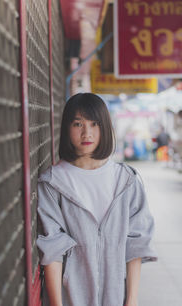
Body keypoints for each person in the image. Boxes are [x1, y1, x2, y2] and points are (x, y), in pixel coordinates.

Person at [37, 93, 157, 306]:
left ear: (105, 127)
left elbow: (136, 243)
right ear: (66, 128)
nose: (87, 133)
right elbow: (52, 250)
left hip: (116, 297)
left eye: (95, 124)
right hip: (70, 298)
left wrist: (131, 300)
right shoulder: (53, 182)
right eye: (78, 124)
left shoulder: (126, 180)